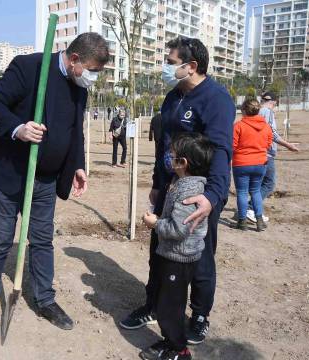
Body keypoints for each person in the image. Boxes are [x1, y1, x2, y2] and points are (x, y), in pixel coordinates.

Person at [0, 32, 108, 335]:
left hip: (45, 179)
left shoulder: (78, 86)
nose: (94, 78)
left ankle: (45, 300)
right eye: (93, 71)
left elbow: (75, 132)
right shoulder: (29, 67)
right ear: (74, 60)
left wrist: (78, 167)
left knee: (42, 239)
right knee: (0, 238)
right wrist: (18, 128)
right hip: (7, 173)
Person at [119, 37, 235, 348]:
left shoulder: (217, 99)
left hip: (199, 192)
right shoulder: (172, 97)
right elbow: (163, 147)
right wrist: (158, 185)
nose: (165, 67)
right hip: (170, 188)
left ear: (191, 66)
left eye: (170, 62)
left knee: (198, 255)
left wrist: (212, 196)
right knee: (160, 249)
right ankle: (153, 304)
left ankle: (199, 314)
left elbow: (222, 150)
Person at [139, 133, 213, 360]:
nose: (168, 158)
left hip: (178, 258)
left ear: (183, 163)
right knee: (168, 302)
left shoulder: (188, 192)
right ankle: (171, 340)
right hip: (174, 256)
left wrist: (155, 223)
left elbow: (179, 230)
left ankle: (179, 350)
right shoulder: (182, 183)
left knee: (169, 307)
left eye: (171, 155)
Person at [246, 92, 299, 223]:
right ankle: (251, 208)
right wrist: (287, 144)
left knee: (259, 184)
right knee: (269, 184)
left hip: (257, 152)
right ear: (275, 102)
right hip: (266, 153)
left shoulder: (257, 112)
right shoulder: (267, 112)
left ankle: (252, 209)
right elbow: (271, 132)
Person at [233, 98, 272, 231]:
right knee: (255, 191)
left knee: (242, 192)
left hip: (241, 164)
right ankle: (259, 221)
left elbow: (233, 145)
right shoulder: (266, 126)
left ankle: (242, 222)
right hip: (260, 163)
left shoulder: (238, 126)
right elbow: (268, 144)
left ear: (244, 110)